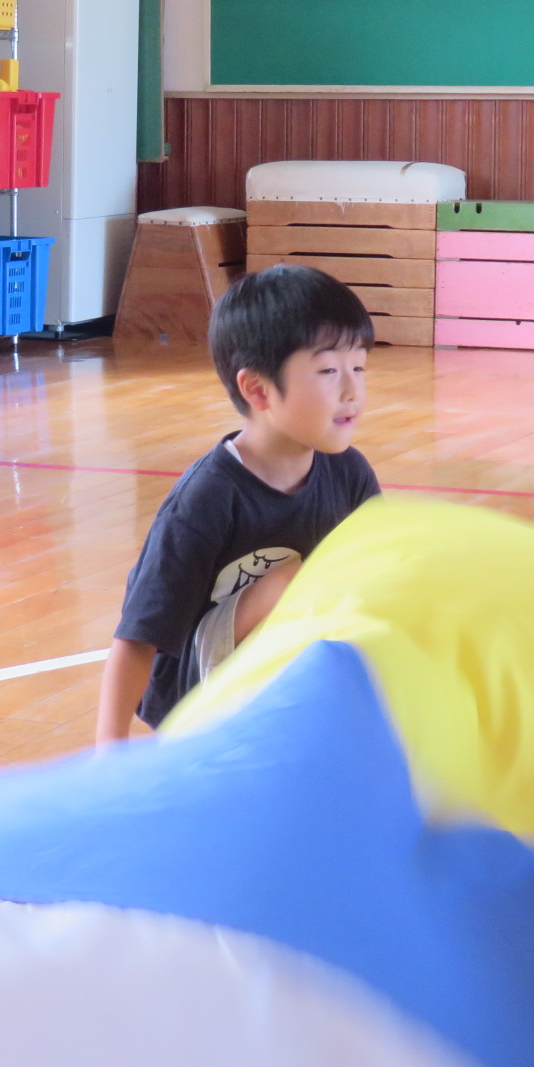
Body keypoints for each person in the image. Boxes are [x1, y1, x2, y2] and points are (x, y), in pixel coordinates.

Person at [95, 264, 381, 744]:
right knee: (301, 578)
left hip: (282, 670)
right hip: (195, 692)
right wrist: (110, 749)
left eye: (359, 367)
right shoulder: (206, 499)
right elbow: (139, 635)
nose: (353, 390)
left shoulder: (349, 473)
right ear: (258, 389)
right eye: (329, 371)